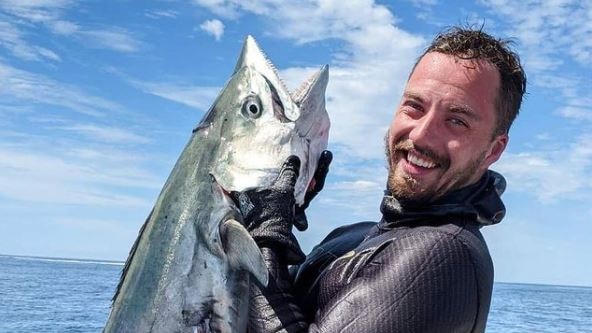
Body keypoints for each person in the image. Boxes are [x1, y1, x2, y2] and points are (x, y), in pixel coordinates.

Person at [231, 26, 527, 333]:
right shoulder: (357, 236)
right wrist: (281, 218)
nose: (421, 134)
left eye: (456, 120)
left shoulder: (444, 254)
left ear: (494, 149)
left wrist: (261, 242)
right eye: (415, 106)